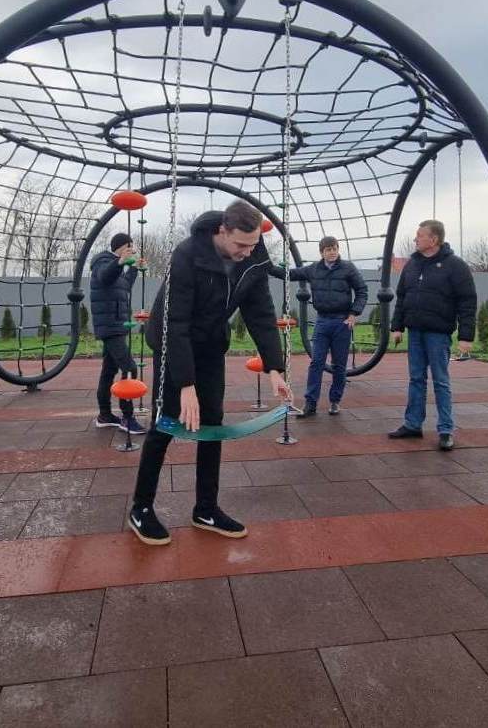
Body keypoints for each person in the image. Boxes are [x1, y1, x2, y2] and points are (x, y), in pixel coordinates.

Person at [129, 200, 293, 546]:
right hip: (173, 341)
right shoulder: (188, 255)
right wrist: (185, 384)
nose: (247, 252)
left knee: (213, 425)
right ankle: (141, 508)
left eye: (252, 245)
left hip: (210, 346)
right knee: (165, 422)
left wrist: (275, 368)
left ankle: (205, 508)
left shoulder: (253, 256)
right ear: (222, 230)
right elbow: (176, 323)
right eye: (240, 245)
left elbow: (261, 313)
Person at [387, 220, 476, 451]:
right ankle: (413, 424)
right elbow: (402, 297)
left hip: (438, 334)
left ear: (433, 239)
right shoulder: (412, 265)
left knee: (441, 381)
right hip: (415, 331)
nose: (416, 239)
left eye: (420, 236)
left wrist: (466, 336)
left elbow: (467, 302)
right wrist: (397, 327)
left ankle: (446, 430)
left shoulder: (455, 266)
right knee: (416, 379)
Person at [271, 237, 368, 416]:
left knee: (339, 365)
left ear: (338, 249)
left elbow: (362, 291)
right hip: (322, 322)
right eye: (328, 249)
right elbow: (290, 274)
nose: (332, 252)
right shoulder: (314, 269)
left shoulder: (348, 268)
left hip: (342, 322)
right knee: (316, 362)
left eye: (334, 248)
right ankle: (310, 403)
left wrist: (354, 313)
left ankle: (335, 401)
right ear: (321, 252)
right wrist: (268, 267)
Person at [89, 232, 145, 435]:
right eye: (130, 247)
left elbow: (124, 286)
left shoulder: (116, 266)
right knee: (129, 368)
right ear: (121, 247)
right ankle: (127, 418)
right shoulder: (102, 262)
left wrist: (134, 269)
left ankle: (105, 416)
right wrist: (120, 262)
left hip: (115, 326)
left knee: (108, 371)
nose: (133, 251)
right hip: (110, 327)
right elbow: (105, 276)